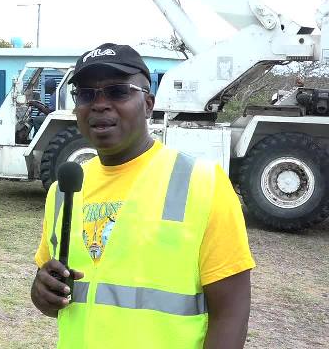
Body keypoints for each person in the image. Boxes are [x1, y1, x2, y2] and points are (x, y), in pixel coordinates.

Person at [30, 43, 255, 348]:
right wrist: (41, 292)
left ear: (148, 104)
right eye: (86, 94)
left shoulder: (202, 182)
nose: (99, 104)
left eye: (118, 91)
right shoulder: (63, 192)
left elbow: (231, 311)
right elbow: (58, 292)